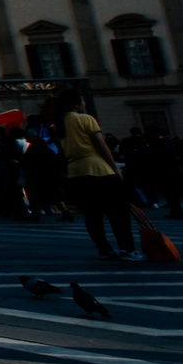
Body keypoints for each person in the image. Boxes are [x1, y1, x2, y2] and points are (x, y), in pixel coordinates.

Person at [50, 88, 135, 260]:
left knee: (92, 215)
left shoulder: (57, 124)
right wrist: (115, 168)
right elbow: (101, 146)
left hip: (76, 172)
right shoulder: (86, 119)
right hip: (97, 168)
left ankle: (104, 249)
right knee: (118, 213)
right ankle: (127, 249)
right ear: (76, 104)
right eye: (82, 101)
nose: (84, 103)